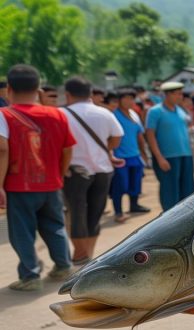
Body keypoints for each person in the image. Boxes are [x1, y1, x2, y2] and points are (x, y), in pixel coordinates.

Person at [0, 64, 76, 291]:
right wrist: (59, 174)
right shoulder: (58, 114)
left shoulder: (4, 115)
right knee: (55, 226)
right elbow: (68, 149)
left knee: (22, 231)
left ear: (9, 88)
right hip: (51, 184)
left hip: (19, 185)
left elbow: (2, 150)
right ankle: (63, 266)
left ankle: (30, 276)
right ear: (38, 88)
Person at [60, 76, 124, 265]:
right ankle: (89, 253)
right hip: (103, 170)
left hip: (74, 172)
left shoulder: (61, 114)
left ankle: (80, 255)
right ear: (90, 93)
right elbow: (117, 138)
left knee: (76, 213)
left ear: (68, 94)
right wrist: (103, 150)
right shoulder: (104, 113)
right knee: (95, 214)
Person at [145, 81, 194, 211]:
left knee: (187, 190)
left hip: (186, 155)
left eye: (181, 94)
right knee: (169, 191)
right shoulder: (155, 111)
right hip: (167, 157)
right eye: (177, 94)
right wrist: (159, 157)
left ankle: (185, 217)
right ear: (167, 94)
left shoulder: (181, 111)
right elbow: (150, 135)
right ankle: (170, 218)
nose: (180, 97)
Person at [111, 88, 150, 223]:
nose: (129, 101)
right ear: (119, 100)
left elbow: (140, 135)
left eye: (131, 98)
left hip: (135, 155)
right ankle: (118, 211)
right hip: (120, 156)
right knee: (120, 185)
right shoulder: (114, 115)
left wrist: (143, 153)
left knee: (136, 182)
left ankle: (134, 205)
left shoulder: (134, 115)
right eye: (126, 98)